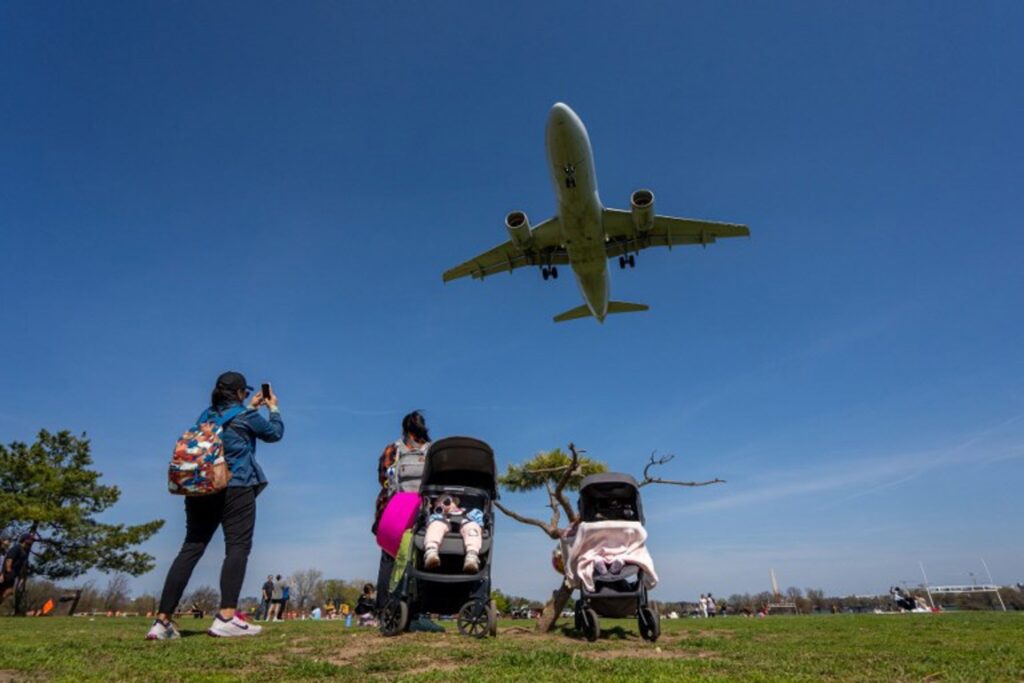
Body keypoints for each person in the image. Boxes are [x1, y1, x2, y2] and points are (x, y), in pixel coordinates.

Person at [146, 371, 285, 640]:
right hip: (237, 486)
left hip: (200, 489)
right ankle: (226, 617)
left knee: (190, 549)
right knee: (237, 547)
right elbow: (274, 433)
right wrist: (273, 408)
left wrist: (251, 407)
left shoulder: (205, 417)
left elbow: (229, 425)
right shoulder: (246, 416)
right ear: (239, 393)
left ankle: (162, 621)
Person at [372, 410, 431, 611]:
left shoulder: (394, 449)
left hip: (401, 508)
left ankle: (387, 608)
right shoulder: (430, 451)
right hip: (416, 509)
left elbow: (382, 477)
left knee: (392, 557)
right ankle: (409, 609)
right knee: (413, 557)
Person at [423, 495, 484, 573]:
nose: (443, 505)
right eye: (439, 504)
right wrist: (439, 512)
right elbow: (430, 522)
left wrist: (476, 523)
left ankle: (472, 556)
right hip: (444, 522)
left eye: (446, 502)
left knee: (472, 528)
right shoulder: (439, 515)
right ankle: (431, 551)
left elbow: (478, 520)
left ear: (455, 501)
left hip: (465, 522)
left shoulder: (468, 511)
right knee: (435, 525)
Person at [1, 533, 36, 603]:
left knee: (8, 592)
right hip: (8, 574)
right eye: (30, 539)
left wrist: (22, 577)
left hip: (12, 575)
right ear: (25, 540)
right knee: (8, 591)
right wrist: (8, 571)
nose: (32, 541)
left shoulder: (24, 551)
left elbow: (22, 566)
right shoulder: (17, 548)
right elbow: (9, 559)